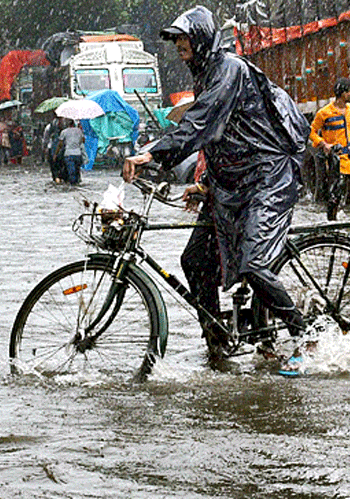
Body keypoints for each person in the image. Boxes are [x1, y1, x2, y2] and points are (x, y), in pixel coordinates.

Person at [122, 6, 310, 362]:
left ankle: (304, 333)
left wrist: (151, 154)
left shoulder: (229, 69)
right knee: (194, 260)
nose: (179, 44)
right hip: (233, 184)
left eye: (184, 37)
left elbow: (201, 123)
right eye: (176, 38)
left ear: (203, 38)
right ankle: (217, 339)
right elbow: (228, 138)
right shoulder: (205, 74)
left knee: (253, 265)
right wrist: (205, 182)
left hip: (267, 179)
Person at [309, 77, 350, 220]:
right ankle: (332, 222)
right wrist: (323, 144)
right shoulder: (324, 113)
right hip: (336, 160)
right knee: (335, 194)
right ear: (342, 93)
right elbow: (310, 132)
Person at [55, 119, 84, 185]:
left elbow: (60, 144)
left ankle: (72, 186)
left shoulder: (64, 132)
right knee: (77, 171)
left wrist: (55, 154)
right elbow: (83, 141)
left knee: (71, 172)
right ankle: (77, 184)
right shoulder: (79, 131)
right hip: (78, 153)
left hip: (68, 154)